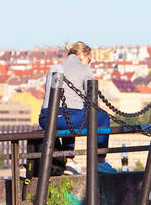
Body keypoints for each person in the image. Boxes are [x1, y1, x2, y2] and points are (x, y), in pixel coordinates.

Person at [30, 41, 112, 178]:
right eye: (89, 59)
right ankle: (100, 162)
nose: (89, 63)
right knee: (102, 118)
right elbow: (92, 100)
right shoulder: (84, 69)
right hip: (68, 118)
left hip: (46, 119)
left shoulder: (55, 68)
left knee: (73, 116)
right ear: (81, 55)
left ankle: (70, 162)